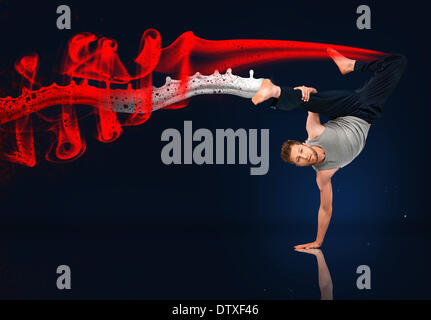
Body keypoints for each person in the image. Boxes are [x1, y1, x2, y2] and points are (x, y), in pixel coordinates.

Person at [251, 48, 407, 249]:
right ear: (299, 166)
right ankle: (351, 66)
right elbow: (325, 208)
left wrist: (305, 90)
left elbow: (315, 98)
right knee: (398, 61)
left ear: (304, 144)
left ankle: (275, 91)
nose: (303, 156)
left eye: (300, 151)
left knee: (309, 103)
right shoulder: (322, 175)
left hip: (346, 105)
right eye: (298, 160)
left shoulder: (313, 132)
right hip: (366, 111)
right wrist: (318, 241)